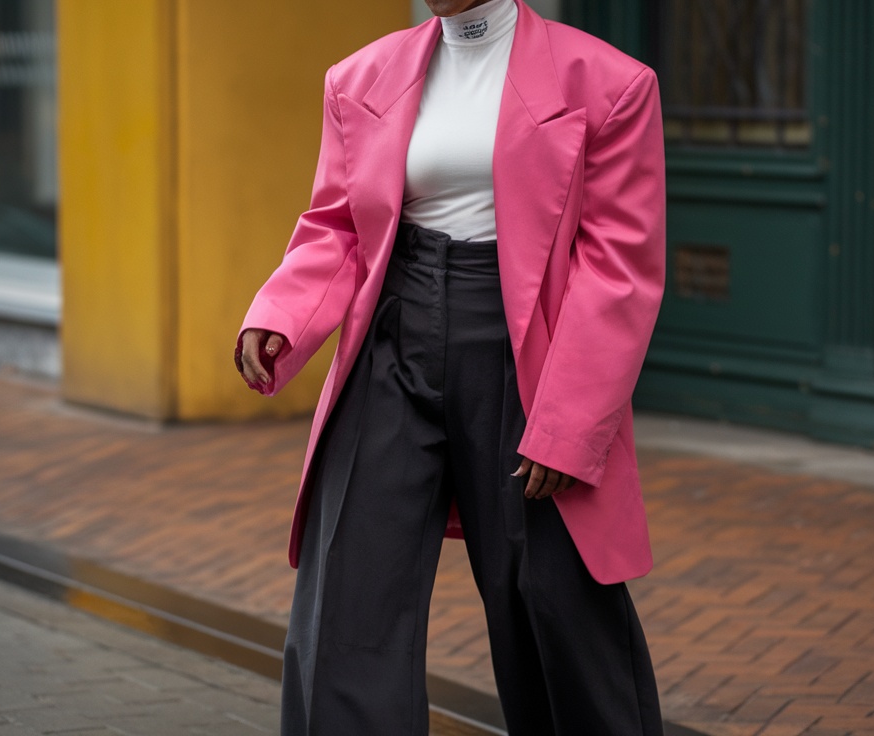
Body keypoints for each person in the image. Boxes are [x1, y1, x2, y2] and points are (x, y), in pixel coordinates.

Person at [234, 0, 666, 733]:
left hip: (531, 354)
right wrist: (280, 313)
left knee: (555, 601)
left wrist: (569, 424)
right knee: (348, 592)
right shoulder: (360, 76)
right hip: (392, 340)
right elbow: (337, 224)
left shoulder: (611, 83)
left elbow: (618, 268)